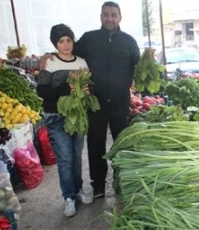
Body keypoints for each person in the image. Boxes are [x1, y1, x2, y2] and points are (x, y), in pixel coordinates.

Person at [40, 1, 140, 198]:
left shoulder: (129, 42)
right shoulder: (89, 39)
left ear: (120, 17)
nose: (109, 18)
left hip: (120, 102)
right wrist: (48, 55)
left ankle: (121, 180)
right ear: (101, 16)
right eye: (106, 14)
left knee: (121, 142)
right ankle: (99, 186)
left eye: (113, 14)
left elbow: (137, 66)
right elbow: (67, 51)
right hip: (95, 101)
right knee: (96, 144)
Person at [36, 23, 93, 217]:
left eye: (69, 40)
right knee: (65, 159)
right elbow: (42, 92)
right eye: (61, 41)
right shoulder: (49, 62)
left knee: (76, 158)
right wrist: (65, 89)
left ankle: (78, 190)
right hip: (56, 118)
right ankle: (68, 197)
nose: (66, 44)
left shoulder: (82, 62)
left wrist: (87, 91)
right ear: (55, 43)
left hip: (77, 116)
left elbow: (88, 88)